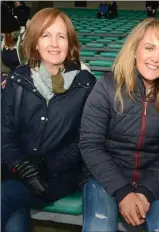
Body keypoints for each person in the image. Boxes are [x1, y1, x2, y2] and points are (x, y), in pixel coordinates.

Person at [79, 18, 159, 232]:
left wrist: (146, 191)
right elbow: (90, 144)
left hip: (155, 181)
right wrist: (123, 192)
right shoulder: (106, 87)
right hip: (104, 178)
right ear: (135, 49)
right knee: (98, 227)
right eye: (149, 47)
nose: (156, 58)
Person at [1, 8, 96, 232]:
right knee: (13, 216)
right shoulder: (18, 79)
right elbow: (4, 133)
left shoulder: (86, 84)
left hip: (56, 176)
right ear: (35, 42)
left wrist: (45, 165)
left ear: (70, 44)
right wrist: (20, 165)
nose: (54, 43)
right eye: (46, 35)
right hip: (15, 170)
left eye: (61, 36)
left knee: (4, 197)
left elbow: (84, 142)